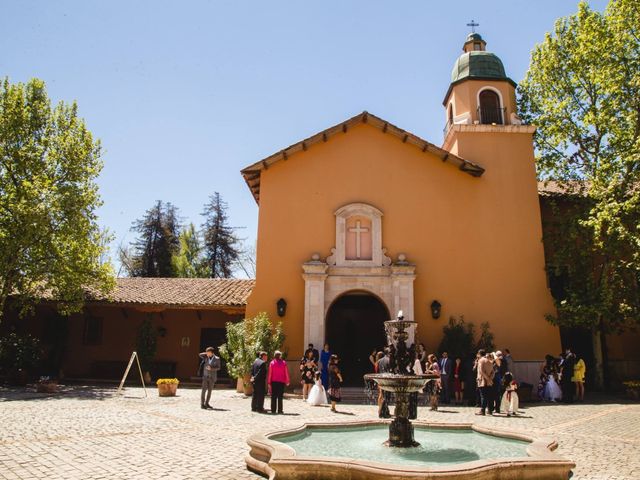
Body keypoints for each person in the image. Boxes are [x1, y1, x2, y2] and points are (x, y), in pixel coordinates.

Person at [476, 349, 495, 416]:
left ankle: (482, 410)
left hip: (483, 381)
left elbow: (481, 371)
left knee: (483, 396)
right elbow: (493, 372)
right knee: (489, 396)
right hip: (489, 382)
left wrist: (487, 379)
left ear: (479, 354)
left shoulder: (481, 360)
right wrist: (490, 379)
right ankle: (490, 410)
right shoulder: (489, 360)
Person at [377, 348, 391, 418]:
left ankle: (383, 411)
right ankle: (383, 412)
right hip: (388, 380)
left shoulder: (379, 361)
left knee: (383, 395)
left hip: (381, 379)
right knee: (387, 396)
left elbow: (377, 371)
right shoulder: (390, 360)